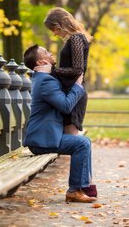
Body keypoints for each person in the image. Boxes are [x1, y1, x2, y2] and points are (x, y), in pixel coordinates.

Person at [23, 45, 96, 203]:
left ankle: (84, 187)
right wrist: (77, 84)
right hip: (42, 140)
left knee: (85, 142)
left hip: (45, 136)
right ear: (42, 60)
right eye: (46, 52)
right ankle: (74, 190)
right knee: (82, 144)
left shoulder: (42, 78)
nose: (50, 53)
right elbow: (65, 106)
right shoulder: (45, 81)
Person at [38, 7, 92, 136]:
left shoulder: (76, 39)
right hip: (70, 94)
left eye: (54, 29)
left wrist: (52, 70)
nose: (54, 34)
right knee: (67, 141)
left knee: (71, 141)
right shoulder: (73, 40)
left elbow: (78, 69)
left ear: (61, 25)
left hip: (74, 95)